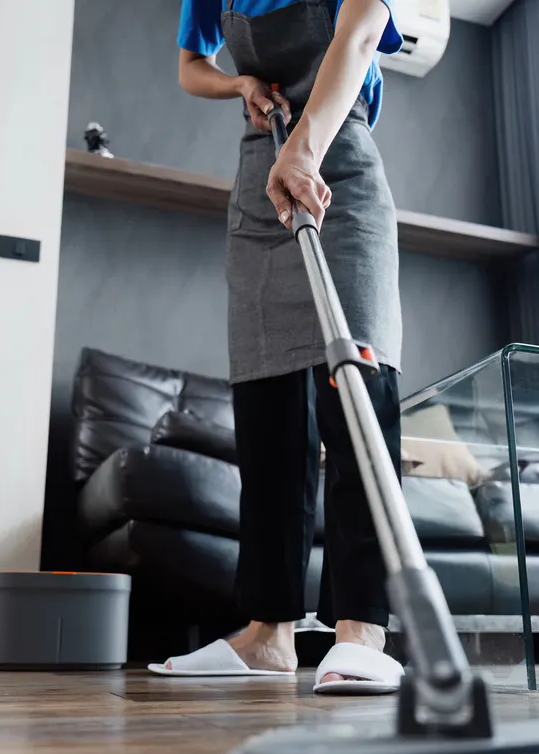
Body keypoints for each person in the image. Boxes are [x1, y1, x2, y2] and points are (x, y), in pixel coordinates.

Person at [148, 0, 406, 694]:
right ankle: (267, 634)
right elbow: (189, 68)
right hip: (258, 181)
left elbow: (354, 39)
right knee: (265, 405)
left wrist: (305, 146)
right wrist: (239, 86)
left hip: (338, 170)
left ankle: (362, 632)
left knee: (355, 399)